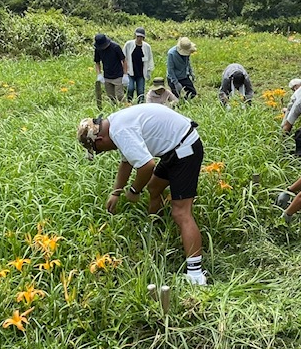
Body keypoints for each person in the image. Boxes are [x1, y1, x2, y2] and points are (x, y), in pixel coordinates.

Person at [76, 104, 207, 285]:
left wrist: (134, 191)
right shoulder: (114, 123)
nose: (102, 152)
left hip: (185, 150)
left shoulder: (120, 131)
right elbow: (127, 162)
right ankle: (155, 228)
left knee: (181, 212)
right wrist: (116, 192)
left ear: (99, 139)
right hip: (173, 149)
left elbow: (147, 166)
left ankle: (196, 275)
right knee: (154, 188)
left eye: (98, 150)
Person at [123, 27, 154, 103]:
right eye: (138, 36)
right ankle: (128, 103)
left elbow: (150, 59)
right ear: (135, 36)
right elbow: (123, 57)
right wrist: (124, 72)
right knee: (130, 88)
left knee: (140, 92)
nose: (139, 38)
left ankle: (140, 106)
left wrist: (149, 71)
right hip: (130, 71)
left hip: (141, 73)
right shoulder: (129, 44)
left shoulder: (147, 47)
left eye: (141, 37)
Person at [94, 33, 127, 103]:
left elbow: (124, 60)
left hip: (118, 75)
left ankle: (126, 109)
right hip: (107, 76)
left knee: (120, 96)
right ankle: (114, 111)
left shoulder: (115, 47)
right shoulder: (98, 49)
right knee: (111, 97)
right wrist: (99, 74)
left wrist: (125, 74)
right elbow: (97, 62)